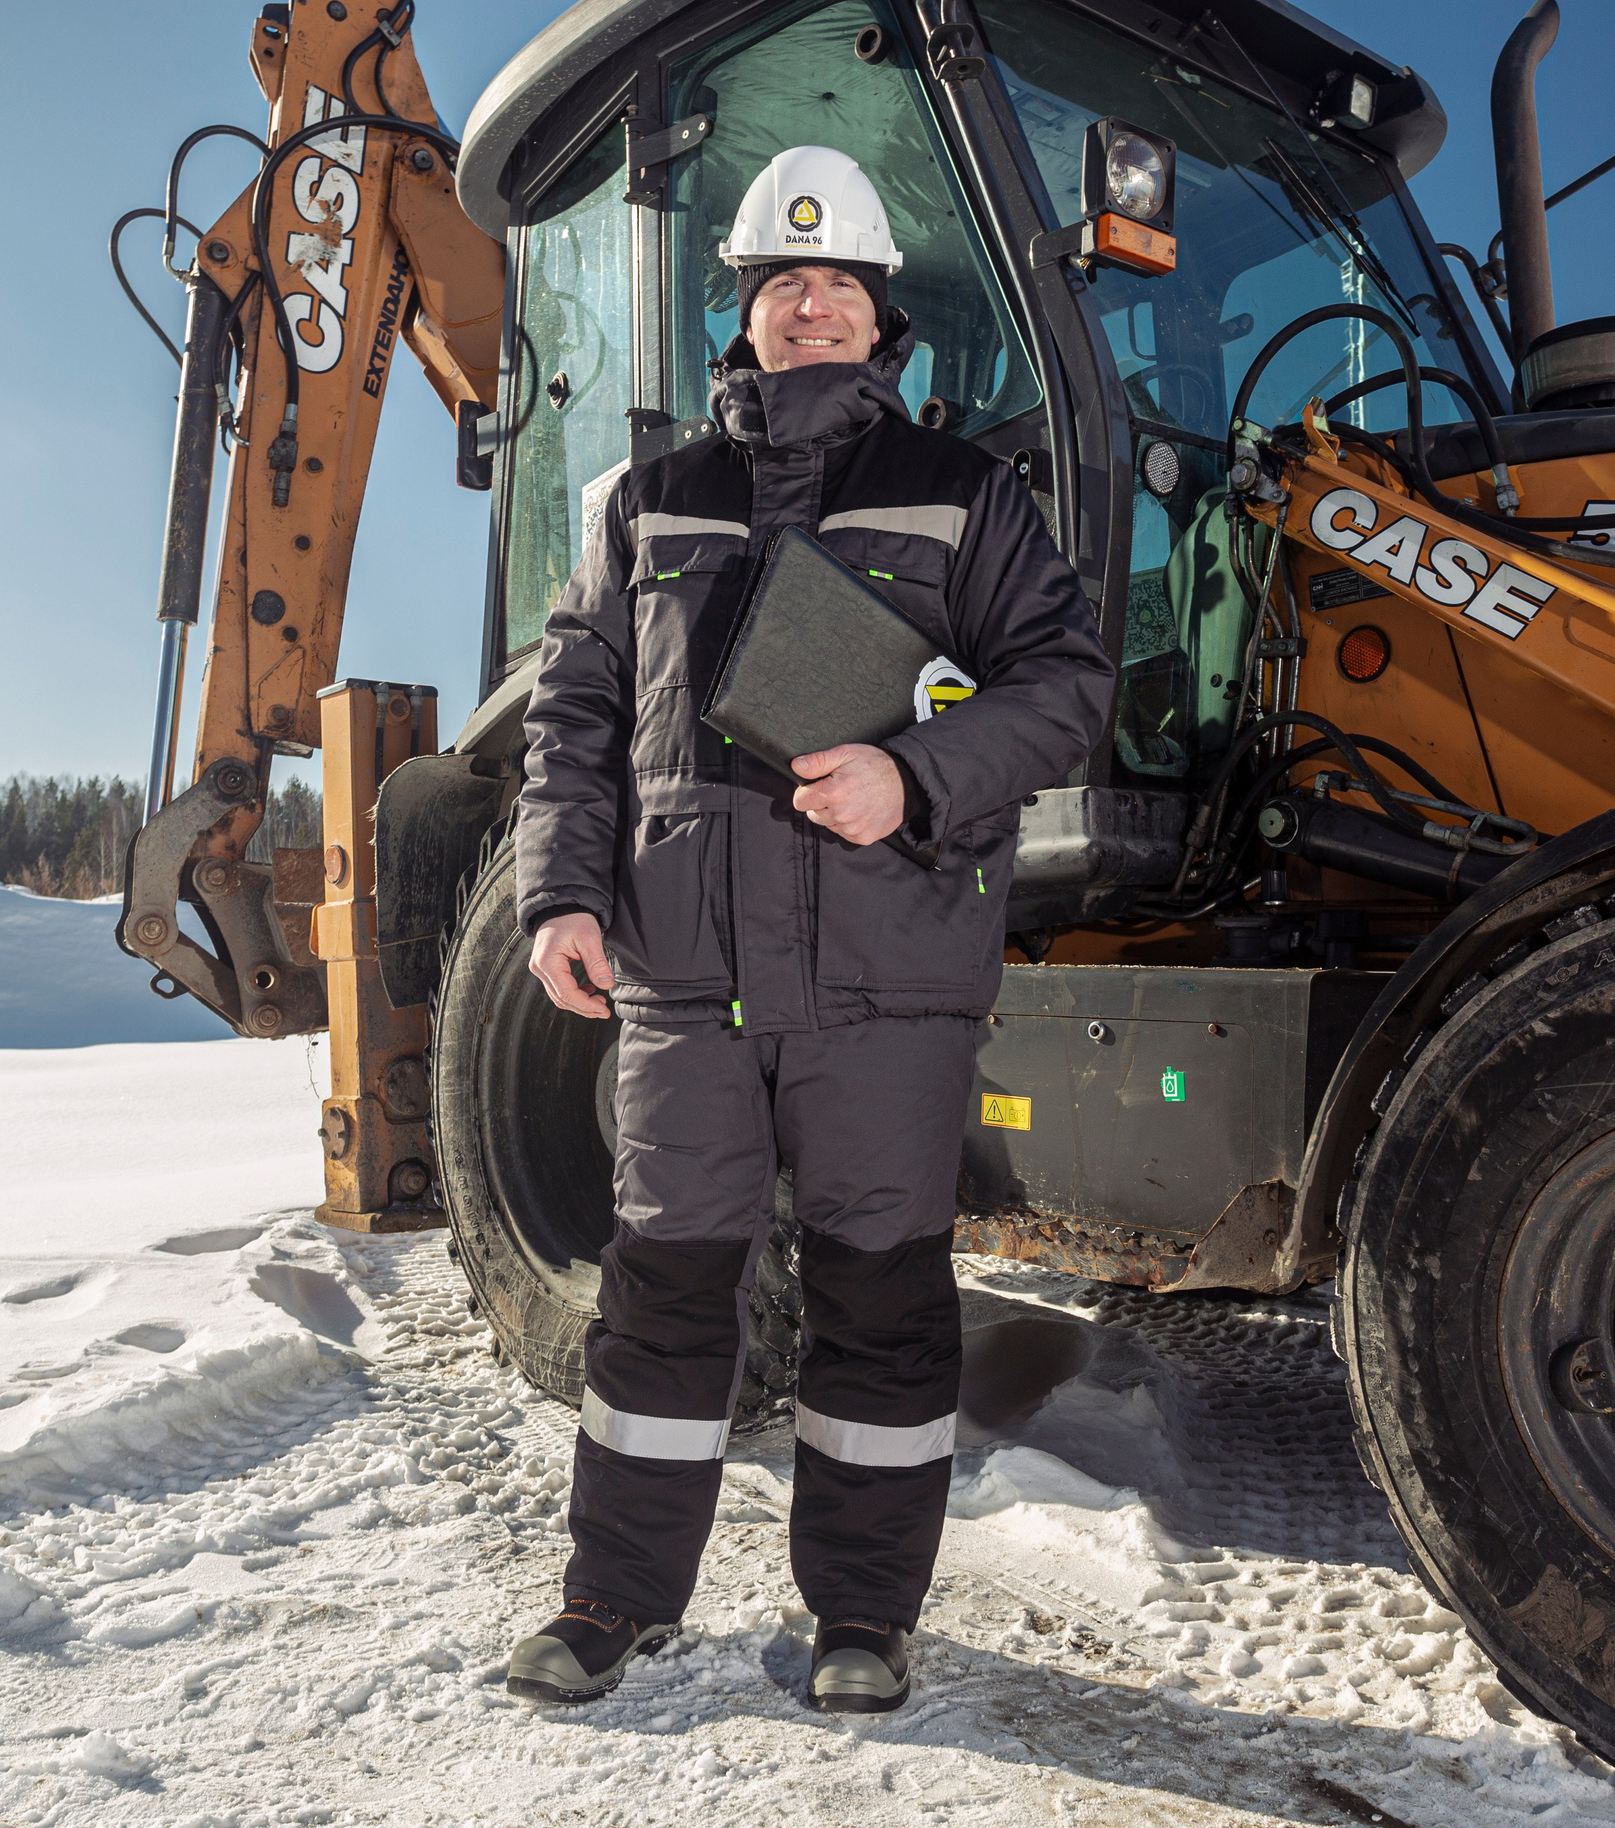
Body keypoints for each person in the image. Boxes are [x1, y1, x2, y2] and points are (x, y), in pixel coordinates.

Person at [502, 145, 1113, 1714]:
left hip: (886, 979)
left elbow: (1065, 693)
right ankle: (612, 1600)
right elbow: (575, 718)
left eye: (838, 279)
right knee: (661, 1296)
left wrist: (910, 777)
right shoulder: (645, 499)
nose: (812, 303)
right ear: (746, 311)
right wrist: (562, 894)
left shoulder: (971, 492)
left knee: (881, 1302)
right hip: (684, 975)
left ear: (880, 311)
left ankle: (864, 1616)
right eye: (784, 282)